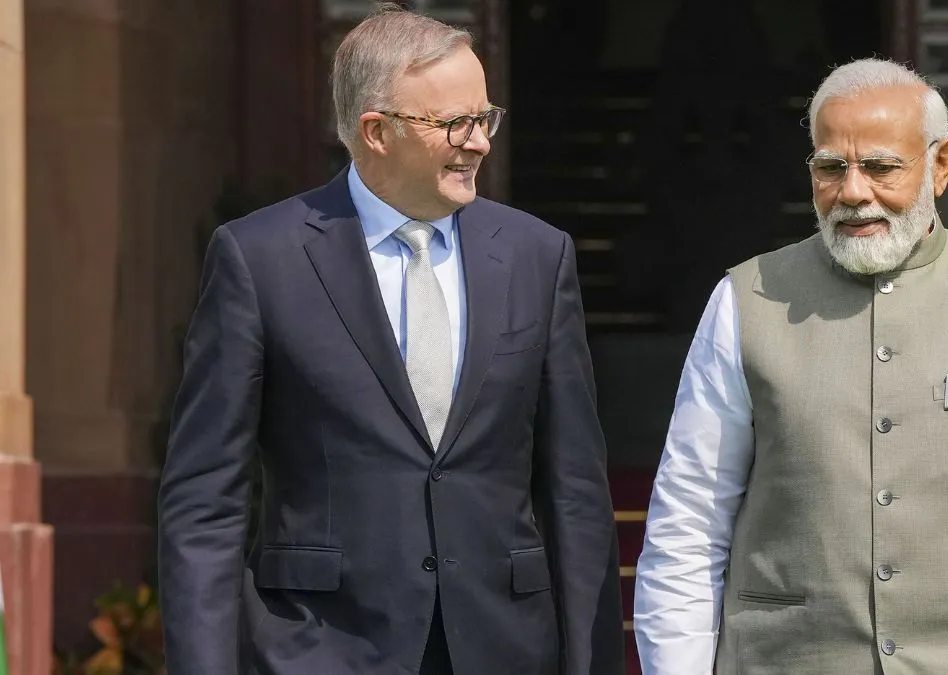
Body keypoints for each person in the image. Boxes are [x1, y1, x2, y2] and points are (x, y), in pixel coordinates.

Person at [633, 58, 948, 674]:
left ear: (941, 165)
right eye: (831, 168)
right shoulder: (746, 300)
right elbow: (688, 520)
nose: (853, 192)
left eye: (880, 167)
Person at [158, 6, 624, 674]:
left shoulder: (538, 256)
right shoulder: (259, 259)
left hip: (504, 648)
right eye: (454, 123)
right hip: (320, 651)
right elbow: (205, 502)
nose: (479, 143)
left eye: (484, 118)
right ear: (376, 131)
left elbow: (575, 492)